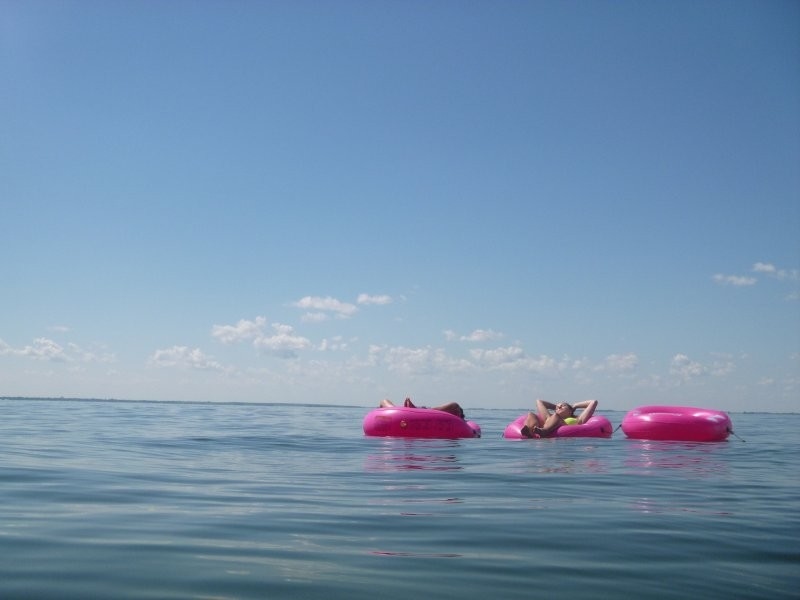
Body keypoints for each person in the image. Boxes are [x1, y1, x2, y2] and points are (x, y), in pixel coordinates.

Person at [521, 399, 598, 438]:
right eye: (557, 407)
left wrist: (575, 405)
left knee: (555, 416)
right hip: (545, 428)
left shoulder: (579, 419)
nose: (560, 407)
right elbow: (539, 401)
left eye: (563, 406)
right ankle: (529, 431)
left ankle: (544, 431)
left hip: (562, 429)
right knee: (531, 414)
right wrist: (555, 407)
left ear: (570, 410)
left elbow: (593, 402)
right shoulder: (549, 417)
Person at [379, 397, 465, 419]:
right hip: (421, 412)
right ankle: (415, 409)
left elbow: (455, 406)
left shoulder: (455, 412)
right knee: (384, 400)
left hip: (421, 412)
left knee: (384, 401)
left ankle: (415, 409)